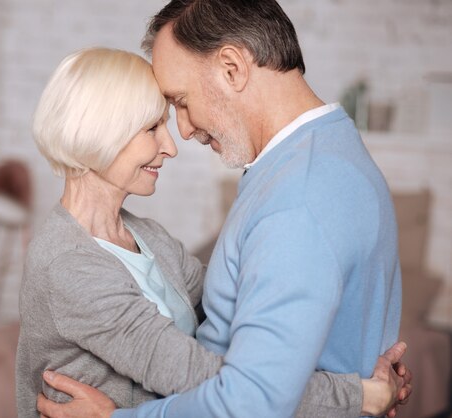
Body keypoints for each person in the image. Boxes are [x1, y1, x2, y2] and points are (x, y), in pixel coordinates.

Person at [34, 1, 411, 417]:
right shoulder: (325, 156)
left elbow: (251, 401)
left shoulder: (296, 200)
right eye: (156, 122)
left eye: (180, 101)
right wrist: (362, 394)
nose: (183, 132)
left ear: (232, 68)